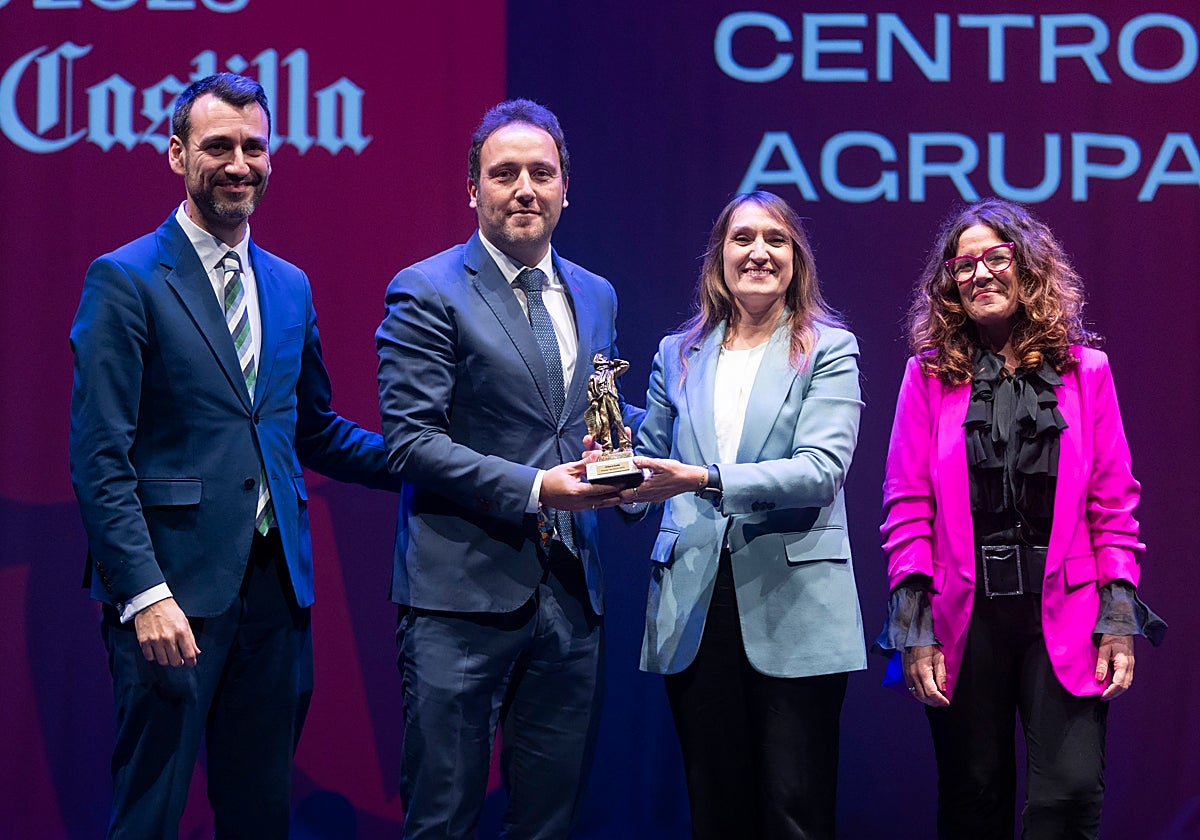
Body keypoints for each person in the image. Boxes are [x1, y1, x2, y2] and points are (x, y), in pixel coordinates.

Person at [69, 73, 395, 839]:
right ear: (178, 153)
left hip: (276, 599)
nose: (239, 163)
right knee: (148, 812)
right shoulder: (125, 278)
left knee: (259, 816)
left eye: (254, 147)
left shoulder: (288, 285)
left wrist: (428, 457)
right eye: (219, 146)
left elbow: (312, 432)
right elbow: (98, 456)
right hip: (170, 597)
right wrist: (143, 594)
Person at [375, 98, 640, 839]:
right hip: (458, 599)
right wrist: (536, 489)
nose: (524, 187)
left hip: (571, 598)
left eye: (541, 172)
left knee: (549, 823)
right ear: (473, 190)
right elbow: (410, 442)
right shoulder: (425, 289)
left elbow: (591, 420)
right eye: (504, 173)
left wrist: (628, 471)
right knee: (444, 819)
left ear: (565, 188)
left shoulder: (595, 293)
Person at [877, 197, 1166, 839]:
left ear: (1027, 267)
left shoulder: (1087, 373)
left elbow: (1113, 503)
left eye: (995, 258)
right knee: (973, 797)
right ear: (949, 282)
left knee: (1067, 794)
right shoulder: (926, 377)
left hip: (1066, 609)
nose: (979, 274)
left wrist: (1118, 617)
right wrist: (914, 622)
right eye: (963, 265)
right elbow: (907, 505)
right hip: (964, 612)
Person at [621, 191, 867, 840]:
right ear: (719, 258)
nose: (758, 252)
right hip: (694, 604)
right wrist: (610, 477)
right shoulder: (677, 353)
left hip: (795, 600)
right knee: (715, 811)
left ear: (796, 260)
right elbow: (645, 467)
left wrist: (705, 478)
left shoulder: (827, 350)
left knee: (794, 812)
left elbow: (821, 471)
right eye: (742, 239)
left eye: (776, 240)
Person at [585, 353, 633, 453]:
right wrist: (593, 400)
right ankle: (607, 447)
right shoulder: (593, 377)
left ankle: (624, 443)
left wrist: (611, 363)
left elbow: (625, 365)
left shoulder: (610, 372)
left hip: (611, 397)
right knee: (604, 424)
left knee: (617, 419)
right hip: (600, 399)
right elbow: (589, 391)